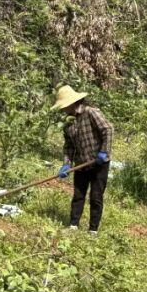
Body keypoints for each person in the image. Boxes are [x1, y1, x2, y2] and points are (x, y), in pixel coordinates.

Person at [53, 85, 113, 235]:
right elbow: (69, 146)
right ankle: (73, 225)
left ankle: (93, 229)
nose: (62, 109)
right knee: (78, 195)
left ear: (71, 103)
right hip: (81, 164)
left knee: (96, 197)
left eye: (63, 106)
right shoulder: (68, 122)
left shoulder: (90, 112)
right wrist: (66, 164)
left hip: (99, 162)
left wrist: (104, 151)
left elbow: (108, 129)